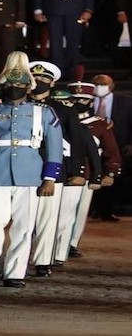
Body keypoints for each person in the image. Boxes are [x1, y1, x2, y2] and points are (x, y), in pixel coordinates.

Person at [0, 51, 62, 288]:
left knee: (24, 226)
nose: (14, 88)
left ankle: (15, 273)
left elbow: (54, 148)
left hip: (29, 174)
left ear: (27, 86)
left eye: (19, 84)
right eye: (10, 83)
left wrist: (50, 178)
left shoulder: (44, 112)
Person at [27, 61, 100, 277]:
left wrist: (76, 171)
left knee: (49, 218)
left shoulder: (63, 107)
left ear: (52, 82)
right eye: (35, 78)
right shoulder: (20, 104)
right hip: (26, 167)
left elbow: (77, 139)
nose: (38, 82)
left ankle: (42, 260)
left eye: (43, 79)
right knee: (24, 218)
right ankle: (21, 257)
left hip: (54, 167)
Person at [60, 77, 122, 261]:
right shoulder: (60, 120)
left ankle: (71, 242)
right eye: (75, 99)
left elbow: (111, 150)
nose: (79, 103)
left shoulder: (100, 124)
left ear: (91, 101)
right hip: (63, 171)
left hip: (87, 173)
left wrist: (110, 171)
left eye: (84, 99)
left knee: (79, 211)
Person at [90, 74, 132, 221]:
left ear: (112, 86)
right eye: (97, 84)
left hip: (118, 145)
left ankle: (106, 211)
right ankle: (93, 210)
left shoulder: (126, 102)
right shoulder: (85, 101)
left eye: (103, 84)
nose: (100, 87)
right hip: (91, 145)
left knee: (114, 178)